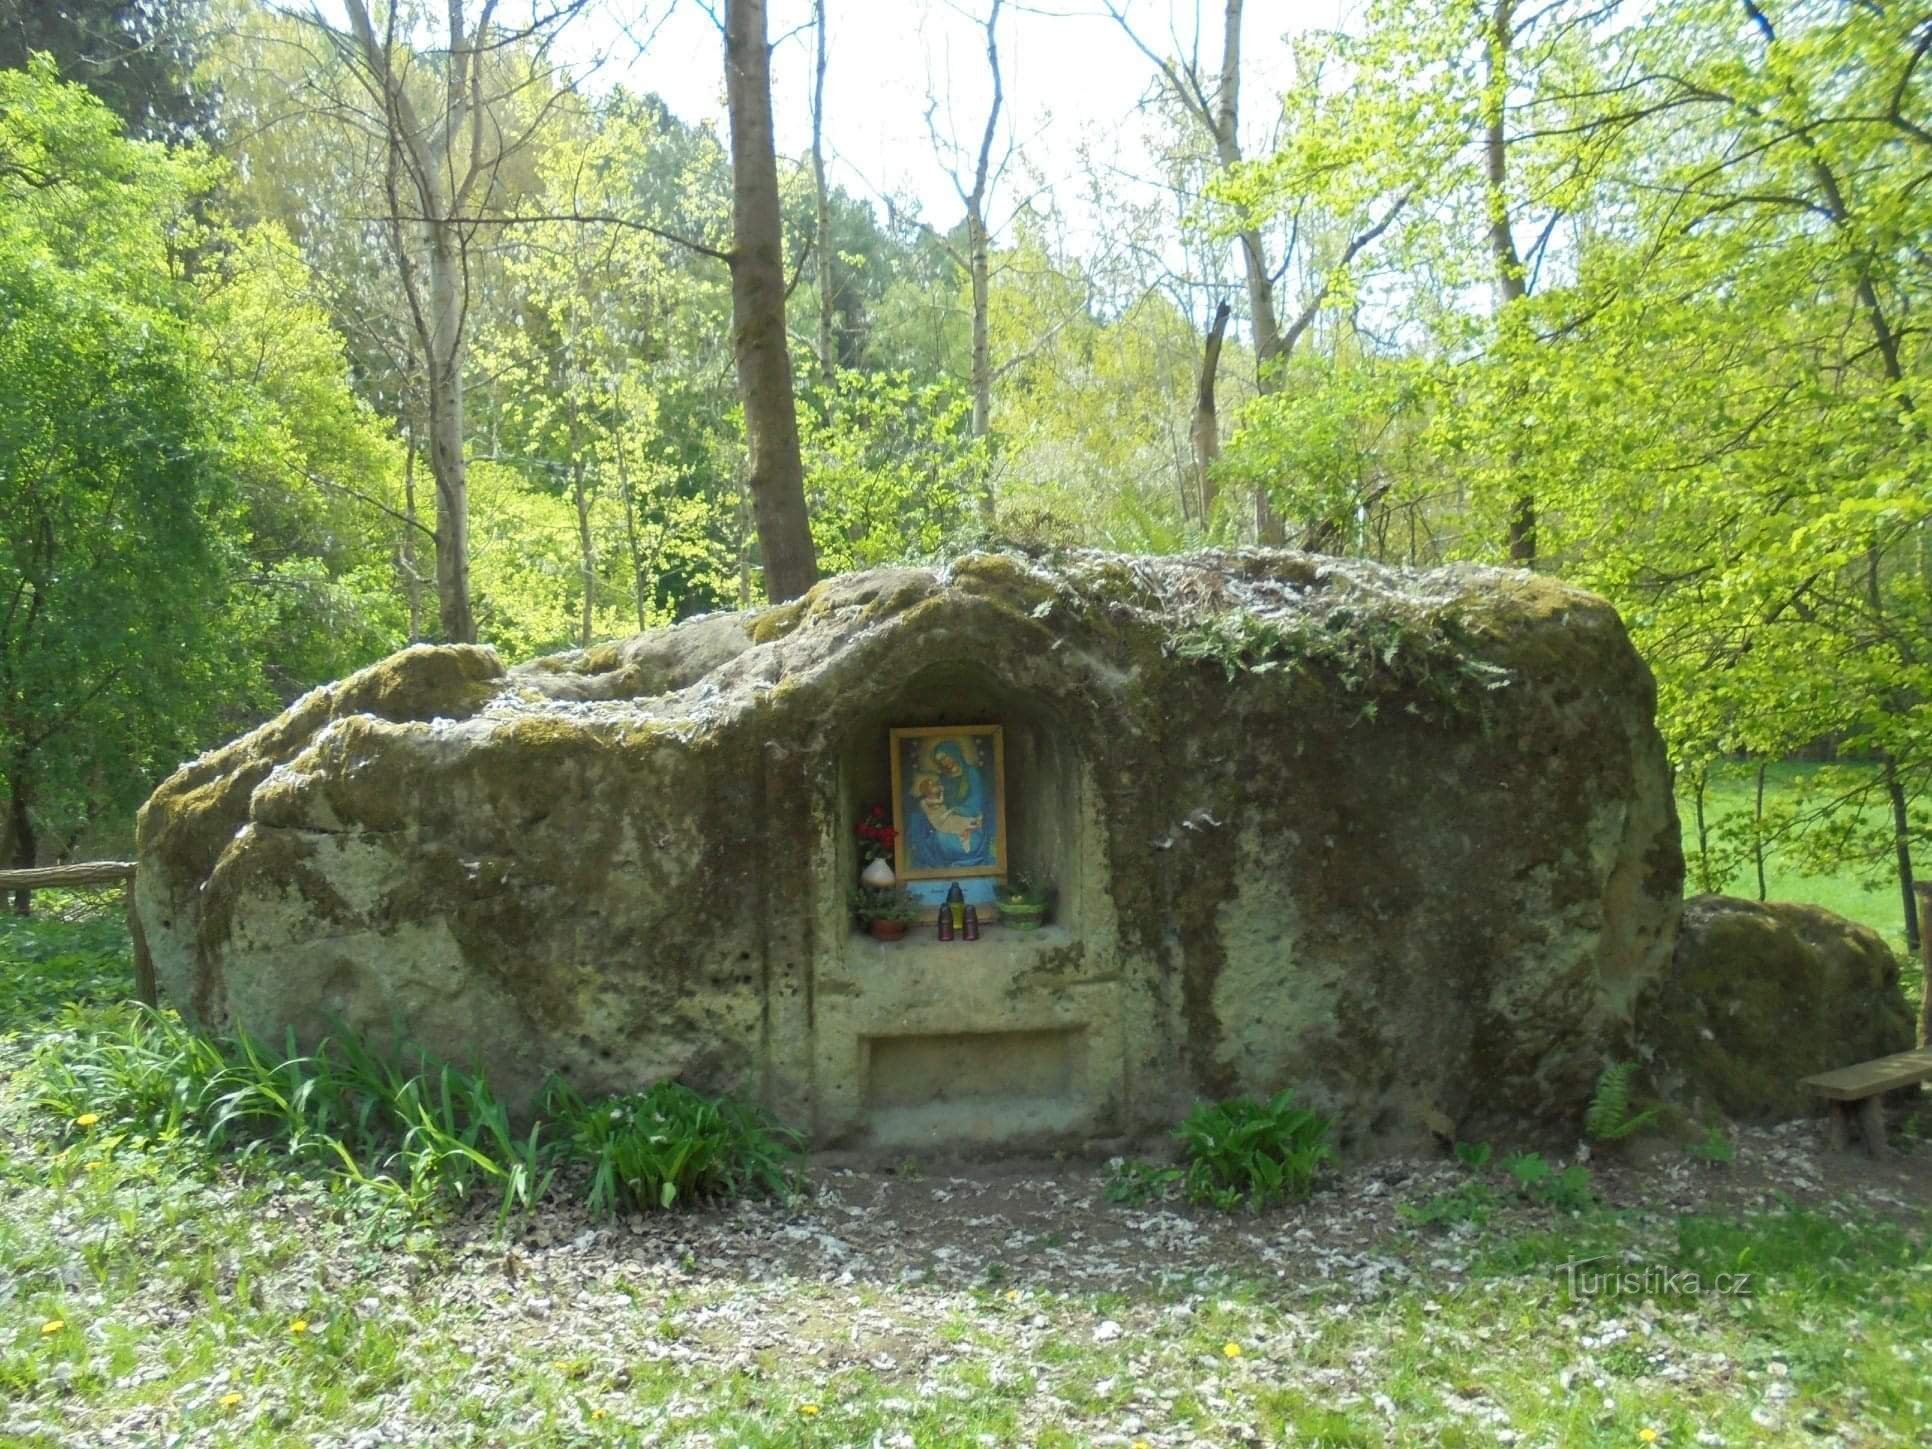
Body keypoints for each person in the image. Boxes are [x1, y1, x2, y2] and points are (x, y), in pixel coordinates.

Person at [905, 739, 993, 868]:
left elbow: (976, 802)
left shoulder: (971, 774)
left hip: (969, 821)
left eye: (945, 757)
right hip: (947, 823)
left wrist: (957, 809)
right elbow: (933, 801)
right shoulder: (943, 779)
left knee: (946, 839)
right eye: (940, 761)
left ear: (954, 753)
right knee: (936, 836)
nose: (944, 763)